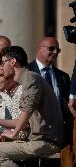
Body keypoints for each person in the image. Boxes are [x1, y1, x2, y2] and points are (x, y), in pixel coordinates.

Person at [0, 46, 63, 167]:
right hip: (38, 140)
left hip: (46, 141)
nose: (2, 68)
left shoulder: (30, 78)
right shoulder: (26, 79)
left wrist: (14, 134)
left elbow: (27, 109)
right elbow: (23, 119)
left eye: (4, 63)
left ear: (13, 62)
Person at [27, 37, 72, 166]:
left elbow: (65, 104)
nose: (55, 52)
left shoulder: (62, 76)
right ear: (39, 49)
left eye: (58, 49)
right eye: (51, 48)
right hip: (33, 130)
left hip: (57, 134)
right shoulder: (27, 71)